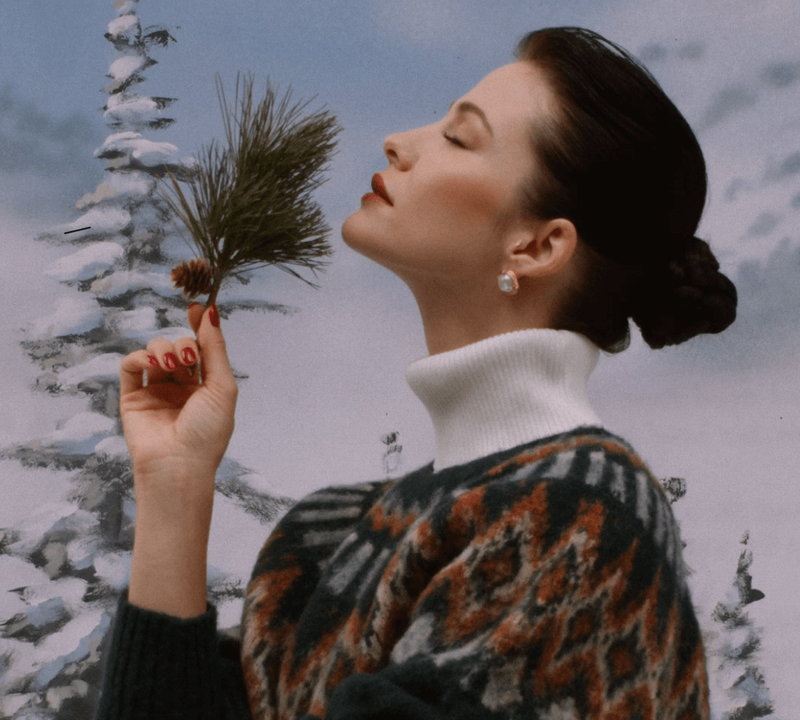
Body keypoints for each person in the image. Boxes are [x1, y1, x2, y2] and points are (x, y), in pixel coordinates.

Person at [95, 27, 736, 720]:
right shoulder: (321, 535)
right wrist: (175, 487)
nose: (399, 140)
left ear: (538, 245)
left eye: (460, 138)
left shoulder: (584, 524)